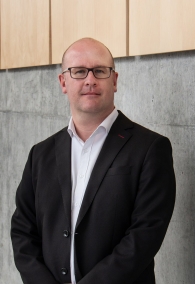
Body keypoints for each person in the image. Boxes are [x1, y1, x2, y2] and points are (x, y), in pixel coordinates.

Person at [10, 38, 176, 284]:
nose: (90, 80)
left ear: (114, 80)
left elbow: (145, 236)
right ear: (63, 82)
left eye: (100, 71)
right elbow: (23, 231)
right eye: (78, 72)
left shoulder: (151, 148)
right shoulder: (40, 154)